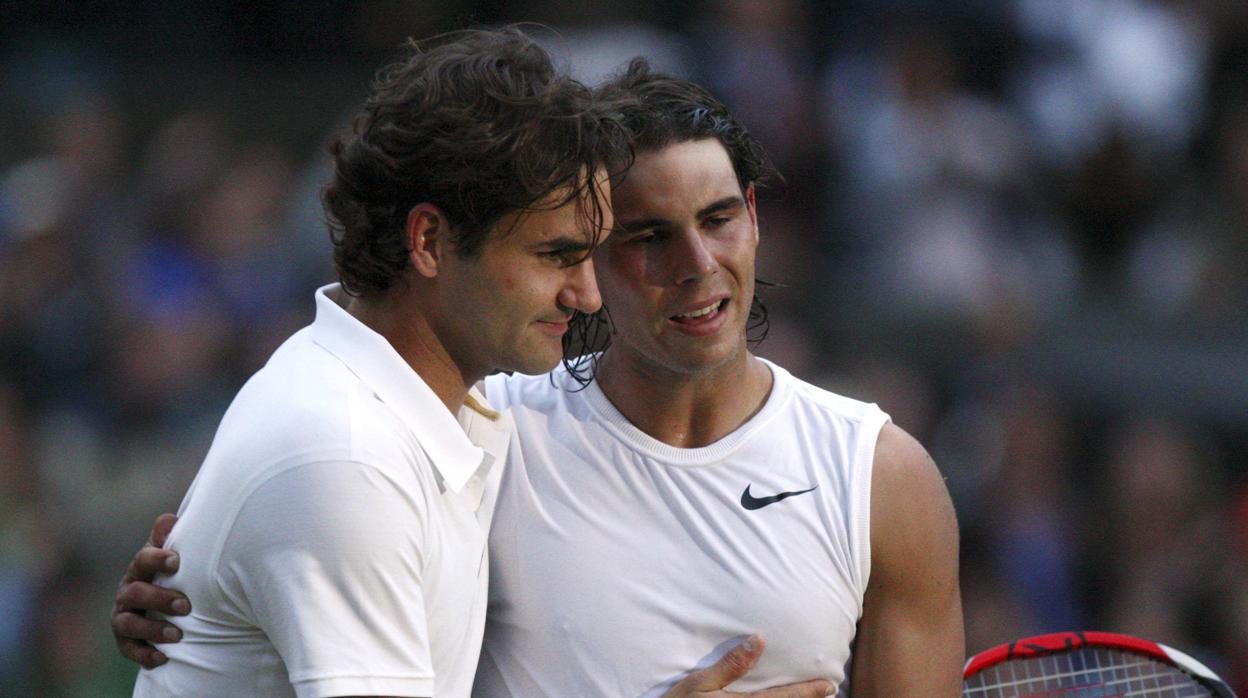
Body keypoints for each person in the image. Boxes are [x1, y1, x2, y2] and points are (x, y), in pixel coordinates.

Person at [114, 57, 963, 696]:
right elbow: (317, 496)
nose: (700, 265)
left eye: (719, 219)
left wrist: (213, 598)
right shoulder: (469, 433)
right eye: (645, 237)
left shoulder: (881, 479)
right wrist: (213, 606)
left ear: (755, 216)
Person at [125, 27, 621, 698]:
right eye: (556, 254)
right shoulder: (345, 456)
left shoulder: (444, 404)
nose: (587, 293)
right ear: (429, 241)